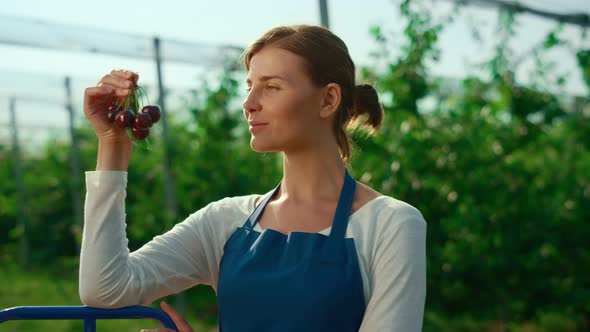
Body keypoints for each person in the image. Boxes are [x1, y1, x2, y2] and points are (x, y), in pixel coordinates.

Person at [79, 24, 427, 332]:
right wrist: (112, 145)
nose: (248, 103)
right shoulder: (225, 221)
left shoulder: (391, 224)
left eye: (272, 87)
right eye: (249, 86)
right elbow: (106, 289)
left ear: (328, 99)